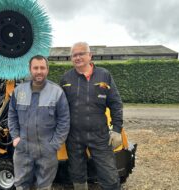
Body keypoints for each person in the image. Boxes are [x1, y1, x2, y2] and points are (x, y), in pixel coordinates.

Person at [60, 42, 123, 190]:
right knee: (77, 173)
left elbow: (115, 103)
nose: (78, 57)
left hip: (99, 135)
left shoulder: (104, 75)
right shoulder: (66, 78)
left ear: (90, 55)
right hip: (73, 136)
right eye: (74, 55)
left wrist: (117, 129)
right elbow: (59, 107)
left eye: (81, 53)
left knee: (109, 173)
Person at [8, 55, 70, 190]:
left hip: (47, 148)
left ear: (47, 69)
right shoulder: (19, 91)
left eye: (42, 67)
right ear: (30, 69)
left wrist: (55, 144)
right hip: (23, 147)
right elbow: (12, 115)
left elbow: (64, 120)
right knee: (21, 184)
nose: (39, 71)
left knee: (44, 185)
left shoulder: (57, 92)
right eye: (35, 67)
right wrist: (16, 137)